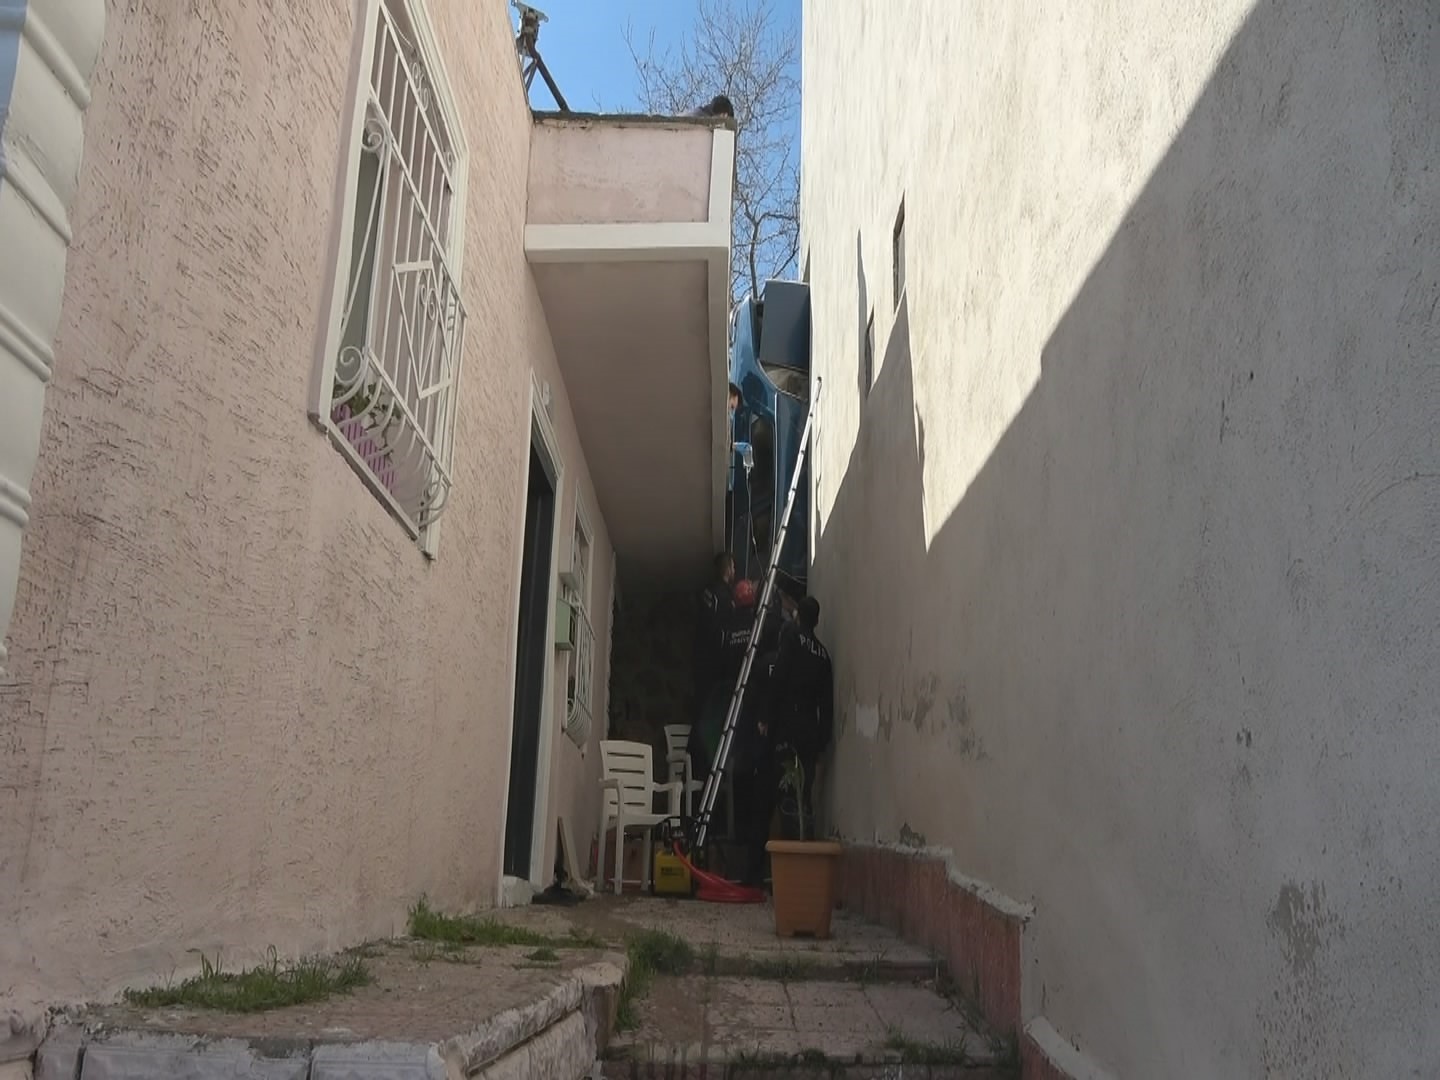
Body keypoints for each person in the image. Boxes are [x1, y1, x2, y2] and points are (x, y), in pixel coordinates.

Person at [767, 596, 834, 838]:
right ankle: (805, 841)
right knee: (804, 792)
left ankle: (790, 843)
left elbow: (779, 676)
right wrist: (822, 741)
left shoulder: (792, 638)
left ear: (798, 616)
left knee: (786, 789)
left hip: (789, 722)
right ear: (816, 621)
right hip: (810, 728)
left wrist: (767, 715)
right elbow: (826, 704)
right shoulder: (823, 655)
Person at [693, 552, 739, 780]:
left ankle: (698, 771)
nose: (735, 572)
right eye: (733, 567)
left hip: (702, 664)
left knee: (702, 716)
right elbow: (722, 632)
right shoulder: (724, 596)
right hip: (716, 668)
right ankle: (707, 772)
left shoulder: (707, 592)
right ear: (728, 569)